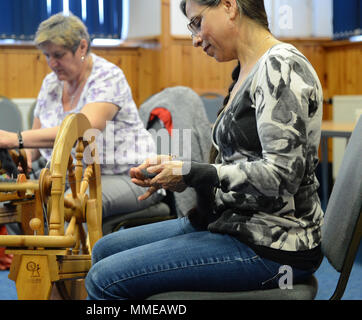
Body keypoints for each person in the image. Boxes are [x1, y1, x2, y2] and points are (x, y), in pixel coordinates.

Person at [85, 0, 324, 299]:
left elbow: (282, 175)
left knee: (104, 280)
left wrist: (194, 171)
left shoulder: (281, 66)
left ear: (229, 6)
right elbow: (238, 163)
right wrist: (181, 174)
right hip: (234, 223)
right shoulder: (246, 70)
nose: (195, 38)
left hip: (276, 246)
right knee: (104, 249)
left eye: (197, 22)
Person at [0, 13, 161, 219]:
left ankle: (60, 251)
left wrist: (16, 139)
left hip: (129, 175)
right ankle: (33, 251)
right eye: (47, 56)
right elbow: (36, 144)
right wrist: (24, 159)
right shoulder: (51, 84)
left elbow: (83, 129)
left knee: (68, 203)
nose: (52, 63)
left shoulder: (108, 77)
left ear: (82, 47)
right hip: (74, 175)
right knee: (15, 200)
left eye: (58, 55)